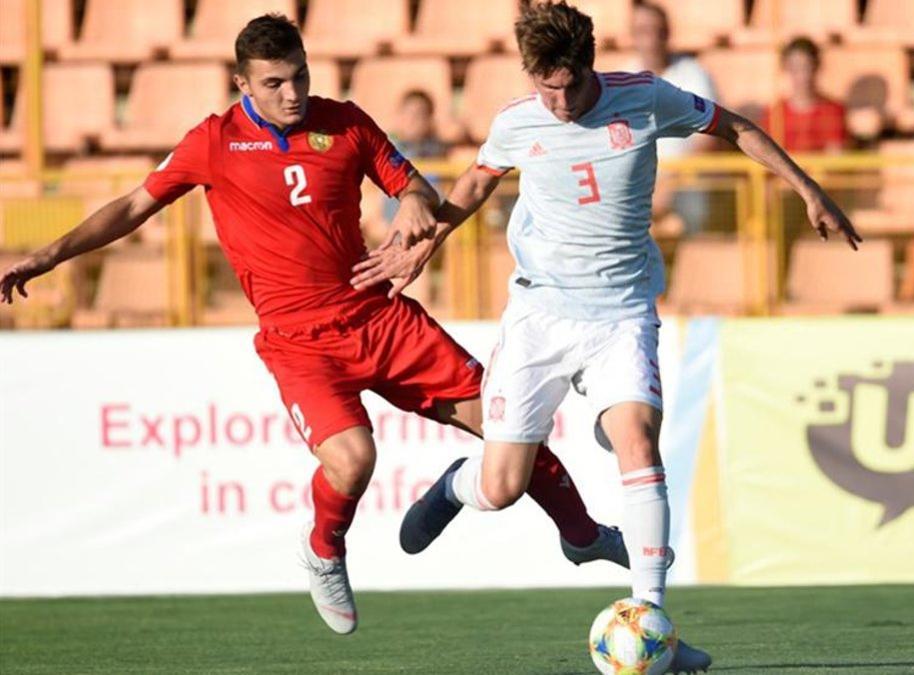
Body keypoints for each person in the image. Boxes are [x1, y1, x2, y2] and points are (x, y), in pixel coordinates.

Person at [0, 14, 629, 636]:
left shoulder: (346, 122)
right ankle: (324, 549)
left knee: (507, 427)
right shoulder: (213, 142)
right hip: (299, 342)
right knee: (354, 460)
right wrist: (50, 255)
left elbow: (413, 186)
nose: (293, 93)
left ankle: (581, 535)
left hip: (379, 316)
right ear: (242, 83)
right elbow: (135, 205)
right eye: (274, 83)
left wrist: (411, 206)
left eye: (300, 76)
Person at [349, 2, 860, 671]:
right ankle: (455, 486)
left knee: (637, 436)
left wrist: (808, 188)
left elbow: (732, 126)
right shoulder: (518, 119)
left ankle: (654, 622)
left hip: (620, 312)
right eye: (544, 86)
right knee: (502, 485)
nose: (557, 101)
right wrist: (427, 244)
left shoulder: (643, 98)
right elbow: (476, 181)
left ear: (590, 65)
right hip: (539, 315)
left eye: (566, 85)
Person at [625, 0, 719, 234]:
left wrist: (670, 185)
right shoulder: (623, 80)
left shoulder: (694, 74)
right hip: (636, 182)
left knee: (695, 208)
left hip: (687, 181)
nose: (651, 39)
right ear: (633, 36)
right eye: (643, 31)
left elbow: (707, 139)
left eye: (657, 31)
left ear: (667, 33)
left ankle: (695, 269)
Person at [760, 38, 846, 153]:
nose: (802, 75)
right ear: (786, 68)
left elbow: (835, 161)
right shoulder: (774, 114)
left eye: (807, 67)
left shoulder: (833, 111)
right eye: (795, 68)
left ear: (816, 66)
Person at [381, 89, 448, 226]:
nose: (412, 120)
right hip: (391, 228)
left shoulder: (439, 152)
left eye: (419, 114)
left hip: (431, 227)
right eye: (408, 113)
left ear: (430, 118)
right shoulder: (386, 149)